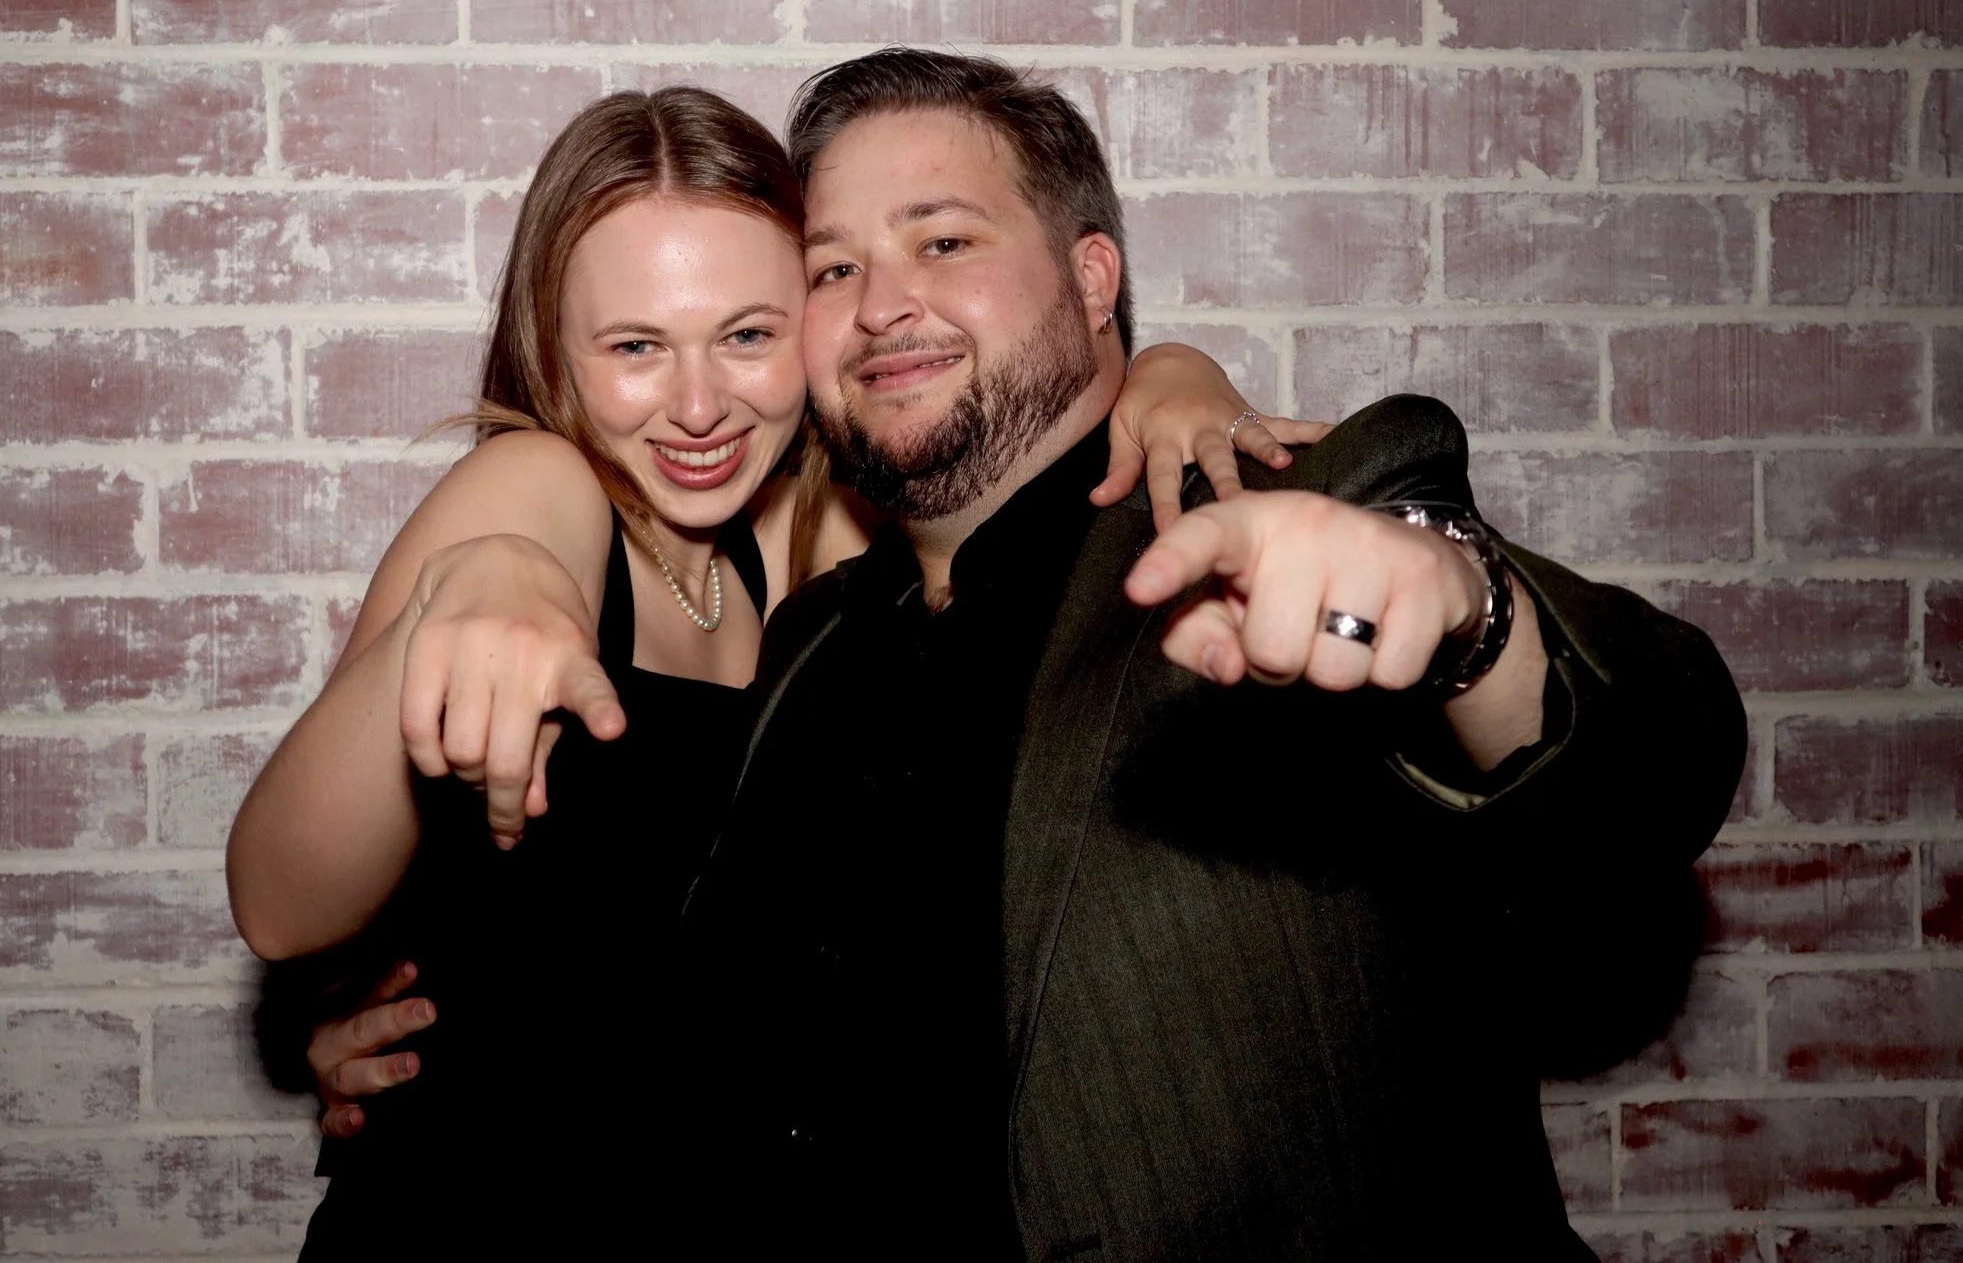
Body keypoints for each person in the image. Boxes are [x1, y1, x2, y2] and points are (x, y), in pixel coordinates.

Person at [666, 49, 1749, 1260]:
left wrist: (1466, 615)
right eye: (834, 267)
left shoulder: (1291, 525)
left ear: (1091, 279)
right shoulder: (807, 641)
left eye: (945, 241)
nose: (879, 303)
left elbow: (1654, 767)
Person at [221, 85, 1325, 1255]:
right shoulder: (535, 486)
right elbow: (281, 906)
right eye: (635, 346)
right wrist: (471, 585)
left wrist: (1167, 371)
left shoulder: (833, 536)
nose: (699, 404)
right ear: (555, 348)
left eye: (748, 334)